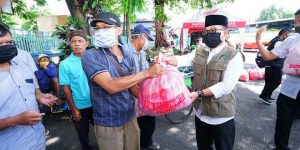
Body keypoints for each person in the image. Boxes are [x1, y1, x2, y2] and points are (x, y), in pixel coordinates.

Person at [159, 15, 244, 150]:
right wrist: (166, 59)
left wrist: (198, 94)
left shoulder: (234, 55)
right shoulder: (200, 51)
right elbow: (182, 60)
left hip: (221, 117)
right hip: (200, 115)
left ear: (226, 33)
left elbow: (227, 86)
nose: (210, 34)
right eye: (207, 31)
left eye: (214, 30)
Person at [81, 11, 163, 150]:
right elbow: (110, 85)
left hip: (130, 117)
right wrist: (148, 73)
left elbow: (132, 87)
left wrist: (154, 101)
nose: (101, 31)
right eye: (97, 28)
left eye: (106, 27)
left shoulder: (127, 55)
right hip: (108, 121)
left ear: (118, 30)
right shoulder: (91, 55)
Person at [0, 21, 57, 150]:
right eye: (0, 43)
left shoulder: (21, 64)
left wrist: (39, 96)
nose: (5, 47)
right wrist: (13, 121)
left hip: (37, 139)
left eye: (9, 42)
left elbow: (31, 86)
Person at [256, 9, 300, 150]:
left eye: (299, 21)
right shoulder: (292, 40)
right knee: (283, 122)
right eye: (296, 21)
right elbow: (268, 56)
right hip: (289, 88)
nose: (296, 24)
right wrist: (258, 39)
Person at [123, 24, 160, 150]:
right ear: (140, 37)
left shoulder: (142, 53)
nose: (148, 42)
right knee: (135, 125)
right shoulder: (125, 52)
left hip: (140, 93)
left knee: (149, 121)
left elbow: (145, 73)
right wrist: (145, 98)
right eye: (148, 39)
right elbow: (129, 81)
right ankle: (141, 145)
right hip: (129, 96)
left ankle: (146, 143)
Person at [59, 30, 94, 150]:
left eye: (80, 41)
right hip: (79, 106)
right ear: (70, 44)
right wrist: (73, 109)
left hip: (97, 103)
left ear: (87, 43)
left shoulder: (94, 59)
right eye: (73, 42)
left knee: (103, 132)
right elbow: (66, 88)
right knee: (83, 135)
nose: (77, 44)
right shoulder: (65, 64)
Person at [259, 28, 291, 104]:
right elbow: (279, 55)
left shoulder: (273, 40)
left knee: (269, 82)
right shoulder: (279, 42)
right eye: (288, 36)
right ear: (284, 35)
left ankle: (267, 96)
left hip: (270, 65)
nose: (289, 38)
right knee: (276, 82)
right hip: (275, 66)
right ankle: (264, 96)